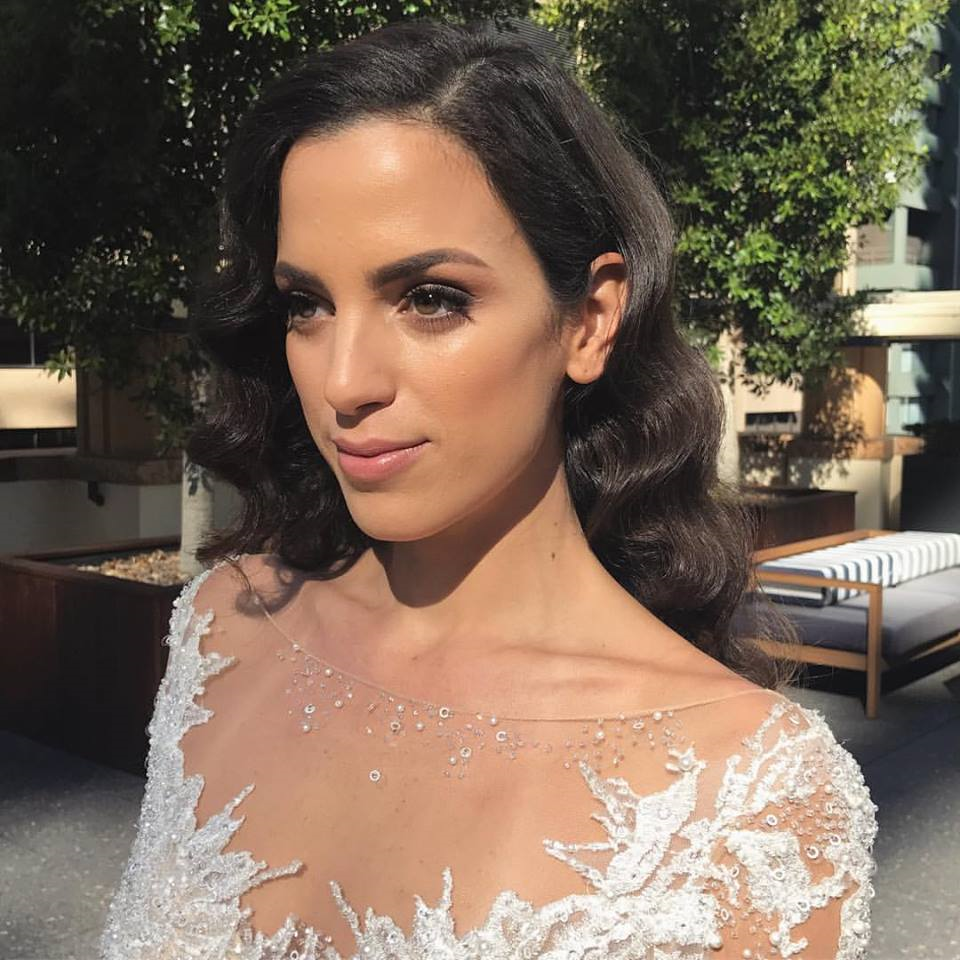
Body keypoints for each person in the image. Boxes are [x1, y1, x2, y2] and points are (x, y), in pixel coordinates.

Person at [98, 16, 877, 960]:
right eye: (308, 304)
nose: (344, 381)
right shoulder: (225, 628)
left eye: (431, 299)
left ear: (590, 321)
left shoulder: (749, 796)